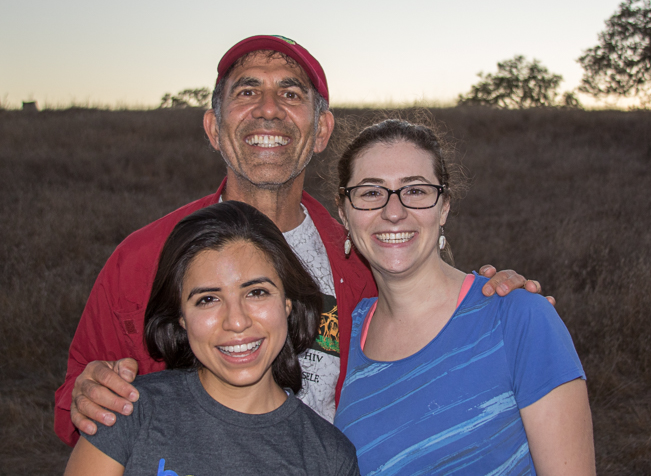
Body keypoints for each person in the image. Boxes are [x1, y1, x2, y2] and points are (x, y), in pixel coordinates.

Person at [55, 35, 540, 446]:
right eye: (247, 92)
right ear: (213, 129)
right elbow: (75, 396)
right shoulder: (144, 258)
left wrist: (496, 300)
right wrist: (87, 394)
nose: (268, 110)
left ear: (321, 129)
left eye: (290, 94)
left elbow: (436, 330)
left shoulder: (365, 261)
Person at [333, 119, 595, 475]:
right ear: (344, 213)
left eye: (415, 191)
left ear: (443, 207)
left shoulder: (518, 319)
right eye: (370, 192)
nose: (393, 212)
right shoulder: (342, 336)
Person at [64, 201, 360, 475]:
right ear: (181, 316)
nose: (236, 321)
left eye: (256, 292)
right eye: (207, 299)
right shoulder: (128, 412)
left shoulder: (329, 457)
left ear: (287, 303)